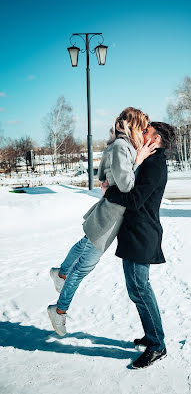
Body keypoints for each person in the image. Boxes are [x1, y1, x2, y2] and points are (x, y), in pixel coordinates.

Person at [47, 107, 156, 336]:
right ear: (134, 126)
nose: (145, 132)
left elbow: (103, 178)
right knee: (83, 268)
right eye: (143, 127)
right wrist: (138, 160)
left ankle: (60, 273)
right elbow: (126, 185)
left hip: (108, 215)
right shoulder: (121, 146)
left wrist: (116, 178)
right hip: (108, 219)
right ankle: (59, 311)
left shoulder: (120, 145)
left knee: (84, 245)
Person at [102, 121, 176, 369]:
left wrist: (110, 192)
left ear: (155, 140)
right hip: (136, 233)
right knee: (137, 289)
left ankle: (157, 345)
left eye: (146, 132)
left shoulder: (154, 165)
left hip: (142, 234)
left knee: (140, 289)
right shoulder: (149, 160)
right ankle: (151, 335)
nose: (141, 133)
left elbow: (134, 200)